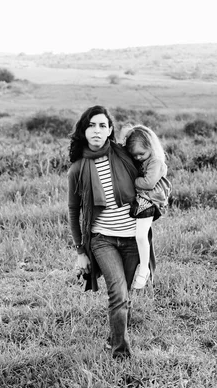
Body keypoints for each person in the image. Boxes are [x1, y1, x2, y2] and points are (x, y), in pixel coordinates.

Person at [67, 105, 156, 359]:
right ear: (84, 130)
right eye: (91, 125)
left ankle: (113, 337)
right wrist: (80, 251)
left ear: (109, 131)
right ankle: (120, 353)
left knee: (125, 294)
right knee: (117, 291)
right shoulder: (77, 169)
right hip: (102, 240)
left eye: (102, 125)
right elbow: (74, 212)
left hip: (131, 239)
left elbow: (150, 161)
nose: (97, 130)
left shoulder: (123, 155)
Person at [124, 125, 172, 289]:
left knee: (141, 236)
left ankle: (144, 269)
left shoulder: (156, 161)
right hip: (144, 201)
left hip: (150, 202)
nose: (138, 158)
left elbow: (148, 183)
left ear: (151, 147)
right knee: (138, 236)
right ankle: (142, 269)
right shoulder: (145, 159)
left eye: (141, 154)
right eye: (134, 155)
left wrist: (130, 181)